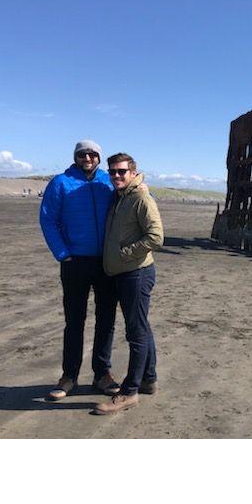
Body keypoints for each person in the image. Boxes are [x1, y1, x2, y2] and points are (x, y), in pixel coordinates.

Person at [39, 140, 120, 401]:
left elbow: (137, 198)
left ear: (98, 157)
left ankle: (102, 374)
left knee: (106, 320)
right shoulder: (61, 183)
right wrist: (63, 254)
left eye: (92, 153)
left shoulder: (109, 181)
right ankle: (69, 376)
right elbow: (48, 219)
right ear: (76, 157)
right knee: (74, 321)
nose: (87, 157)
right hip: (75, 262)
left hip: (106, 262)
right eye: (82, 154)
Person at [94, 153, 164, 415]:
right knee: (142, 328)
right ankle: (149, 379)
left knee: (135, 333)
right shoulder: (120, 196)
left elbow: (156, 237)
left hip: (136, 273)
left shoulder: (140, 198)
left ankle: (130, 391)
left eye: (121, 171)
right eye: (112, 172)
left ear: (133, 172)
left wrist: (125, 253)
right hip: (122, 273)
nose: (116, 176)